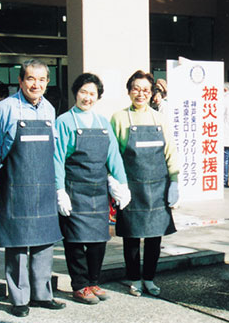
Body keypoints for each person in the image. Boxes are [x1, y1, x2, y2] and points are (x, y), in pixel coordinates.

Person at [0, 59, 65, 317]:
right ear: (20, 81)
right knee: (17, 244)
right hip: (14, 184)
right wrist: (5, 178)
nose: (36, 84)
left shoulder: (49, 110)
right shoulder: (3, 109)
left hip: (43, 184)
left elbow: (52, 151)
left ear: (47, 82)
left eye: (42, 80)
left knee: (44, 242)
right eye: (31, 79)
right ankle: (19, 299)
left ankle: (42, 294)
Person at [54, 73, 130, 304]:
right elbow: (57, 158)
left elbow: (113, 155)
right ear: (76, 93)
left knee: (98, 239)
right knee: (75, 240)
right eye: (83, 92)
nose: (87, 98)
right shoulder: (64, 122)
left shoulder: (102, 123)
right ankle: (79, 285)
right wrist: (59, 190)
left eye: (92, 94)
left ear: (98, 97)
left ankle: (93, 281)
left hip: (97, 190)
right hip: (73, 188)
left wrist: (121, 183)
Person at [111, 70, 180, 297]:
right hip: (131, 186)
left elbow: (170, 151)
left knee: (154, 237)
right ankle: (134, 279)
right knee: (131, 237)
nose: (141, 94)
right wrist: (116, 184)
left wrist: (175, 181)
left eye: (146, 90)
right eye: (136, 89)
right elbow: (113, 155)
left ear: (152, 94)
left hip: (158, 186)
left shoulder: (159, 118)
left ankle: (149, 278)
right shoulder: (119, 118)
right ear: (129, 91)